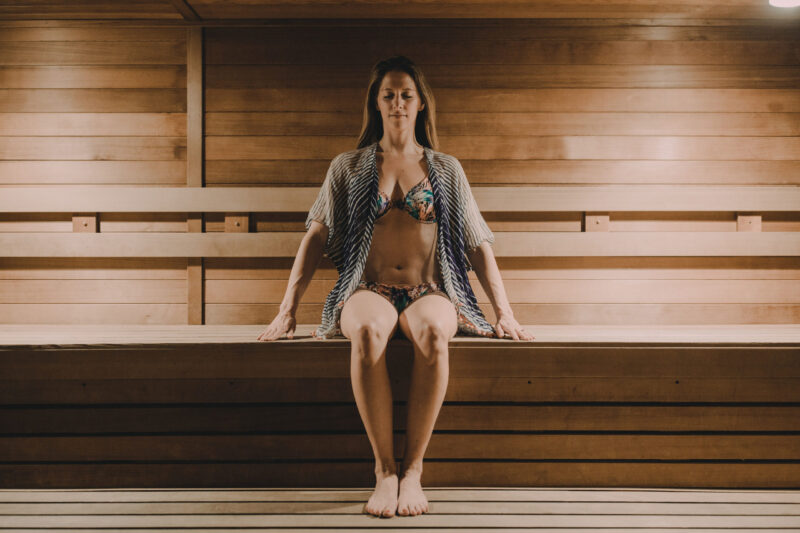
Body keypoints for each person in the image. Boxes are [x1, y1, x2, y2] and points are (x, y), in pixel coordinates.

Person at [257, 55, 534, 518]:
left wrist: (504, 312)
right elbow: (317, 235)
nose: (398, 103)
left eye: (407, 95)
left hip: (430, 289)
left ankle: (414, 471)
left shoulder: (445, 169)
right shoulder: (348, 166)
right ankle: (384, 471)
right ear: (376, 103)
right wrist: (287, 310)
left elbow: (477, 243)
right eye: (389, 95)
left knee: (433, 336)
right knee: (365, 332)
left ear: (421, 103)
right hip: (369, 287)